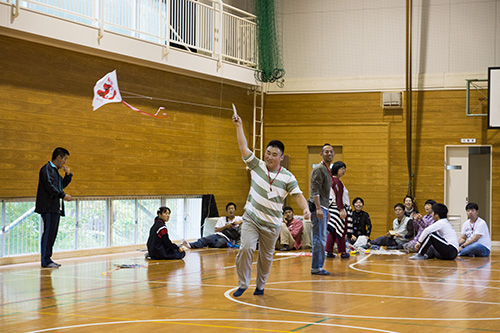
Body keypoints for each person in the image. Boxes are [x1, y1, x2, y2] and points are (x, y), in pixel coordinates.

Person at [232, 114, 310, 297]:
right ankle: (243, 283)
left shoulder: (288, 177)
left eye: (274, 155)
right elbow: (243, 147)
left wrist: (305, 208)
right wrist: (239, 126)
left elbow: (298, 195)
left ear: (281, 158)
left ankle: (260, 286)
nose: (269, 157)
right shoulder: (256, 165)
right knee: (246, 248)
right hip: (251, 217)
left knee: (266, 257)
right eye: (268, 153)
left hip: (272, 224)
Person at [35, 147, 73, 268]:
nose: (65, 162)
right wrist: (63, 195)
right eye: (64, 158)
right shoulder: (46, 169)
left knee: (53, 233)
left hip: (55, 207)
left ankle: (48, 258)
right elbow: (49, 186)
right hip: (47, 206)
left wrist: (68, 176)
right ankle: (45, 260)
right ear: (58, 157)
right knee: (48, 233)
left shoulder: (55, 171)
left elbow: (60, 186)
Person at [309, 143, 335, 275]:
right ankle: (316, 267)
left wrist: (327, 210)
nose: (329, 154)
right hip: (318, 207)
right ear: (321, 154)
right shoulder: (319, 169)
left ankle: (318, 265)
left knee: (322, 237)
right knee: (319, 238)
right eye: (326, 152)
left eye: (331, 152)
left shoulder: (328, 170)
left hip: (324, 206)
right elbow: (315, 190)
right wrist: (318, 208)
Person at [326, 161, 352, 259]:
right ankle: (343, 252)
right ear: (336, 169)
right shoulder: (337, 182)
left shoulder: (331, 181)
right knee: (341, 230)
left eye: (344, 169)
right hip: (337, 209)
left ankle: (329, 251)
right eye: (342, 169)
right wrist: (341, 210)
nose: (344, 171)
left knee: (333, 231)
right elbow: (339, 197)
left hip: (332, 208)